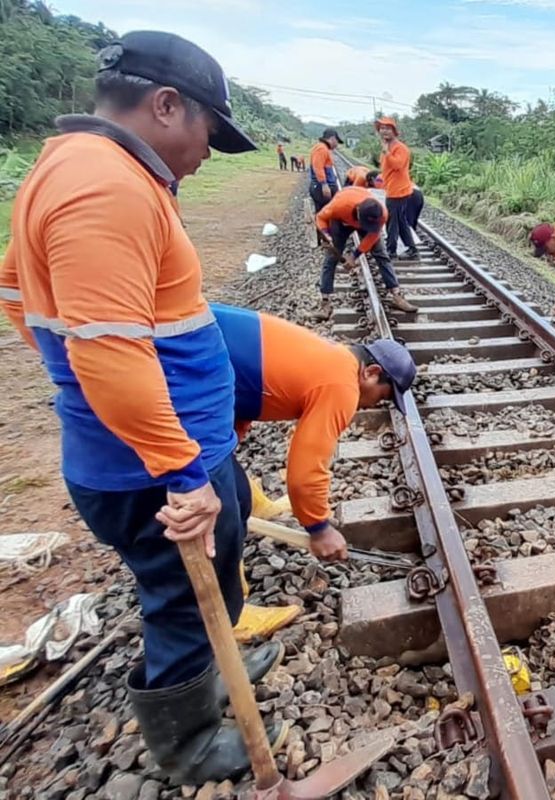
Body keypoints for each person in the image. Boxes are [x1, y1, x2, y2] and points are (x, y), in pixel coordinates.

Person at [0, 31, 288, 785]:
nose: (206, 153)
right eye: (208, 133)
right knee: (179, 596)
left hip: (172, 447)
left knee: (216, 567)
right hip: (152, 466)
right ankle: (187, 741)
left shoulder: (77, 169)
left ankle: (219, 669)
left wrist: (91, 389)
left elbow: (16, 297)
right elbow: (103, 349)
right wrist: (178, 469)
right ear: (166, 106)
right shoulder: (106, 186)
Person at [212, 303, 417, 562]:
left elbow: (244, 389)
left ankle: (253, 504)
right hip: (179, 354)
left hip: (193, 344)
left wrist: (231, 438)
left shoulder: (335, 357)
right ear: (372, 372)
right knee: (225, 505)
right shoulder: (342, 386)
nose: (374, 405)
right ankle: (228, 601)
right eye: (383, 397)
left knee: (231, 488)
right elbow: (306, 467)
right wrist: (319, 528)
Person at [312, 185, 418, 317]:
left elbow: (372, 237)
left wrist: (354, 256)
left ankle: (397, 295)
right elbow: (320, 217)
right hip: (341, 221)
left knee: (382, 255)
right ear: (357, 211)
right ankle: (325, 302)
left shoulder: (381, 214)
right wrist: (327, 235)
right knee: (330, 259)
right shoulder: (339, 206)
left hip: (359, 213)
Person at [375, 117, 420, 261]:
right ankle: (412, 250)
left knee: (392, 222)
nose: (384, 131)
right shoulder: (386, 147)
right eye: (382, 128)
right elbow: (385, 167)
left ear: (394, 131)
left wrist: (387, 152)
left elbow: (397, 165)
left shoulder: (400, 148)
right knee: (400, 221)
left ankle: (391, 251)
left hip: (398, 191)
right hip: (392, 188)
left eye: (388, 128)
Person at [308, 126, 341, 216]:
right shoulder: (321, 148)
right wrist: (324, 184)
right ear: (332, 138)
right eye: (337, 141)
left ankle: (324, 228)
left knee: (325, 213)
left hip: (322, 187)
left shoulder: (323, 148)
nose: (337, 145)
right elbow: (318, 166)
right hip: (321, 188)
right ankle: (323, 229)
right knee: (324, 214)